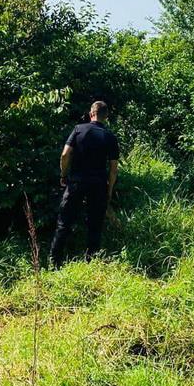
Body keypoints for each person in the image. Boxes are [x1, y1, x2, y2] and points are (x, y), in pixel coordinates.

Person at [49, 100, 120, 267]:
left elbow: (65, 155)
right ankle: (90, 262)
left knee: (64, 222)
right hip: (98, 184)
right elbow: (113, 169)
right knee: (95, 224)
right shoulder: (110, 136)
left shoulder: (78, 129)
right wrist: (109, 190)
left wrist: (64, 175)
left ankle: (54, 262)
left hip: (76, 182)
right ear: (106, 116)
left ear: (91, 113)